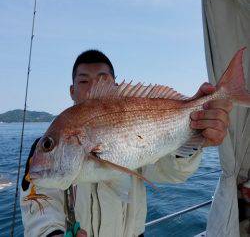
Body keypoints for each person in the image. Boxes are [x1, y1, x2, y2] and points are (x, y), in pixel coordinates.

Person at [20, 50, 232, 237]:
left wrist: (196, 134)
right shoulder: (43, 148)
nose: (93, 86)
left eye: (102, 79)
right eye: (84, 81)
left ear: (114, 86)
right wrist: (51, 234)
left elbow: (171, 172)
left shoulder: (134, 120)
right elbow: (38, 199)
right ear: (72, 90)